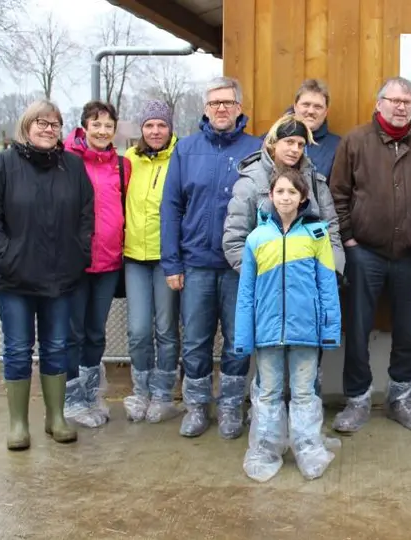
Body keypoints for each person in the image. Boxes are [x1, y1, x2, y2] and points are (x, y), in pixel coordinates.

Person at [0, 99, 91, 450]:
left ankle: (56, 417)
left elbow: (86, 215)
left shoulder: (72, 167)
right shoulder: (0, 166)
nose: (47, 128)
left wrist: (79, 253)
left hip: (60, 277)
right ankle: (18, 423)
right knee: (18, 348)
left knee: (57, 346)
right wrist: (8, 257)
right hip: (13, 279)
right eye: (40, 122)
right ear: (25, 126)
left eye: (54, 123)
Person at [329, 76, 411, 434]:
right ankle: (358, 399)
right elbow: (338, 193)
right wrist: (348, 240)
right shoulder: (355, 142)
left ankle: (400, 399)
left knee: (407, 330)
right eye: (394, 100)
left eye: (407, 101)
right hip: (365, 253)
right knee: (359, 330)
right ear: (379, 104)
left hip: (409, 255)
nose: (400, 106)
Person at [161, 76, 262, 439]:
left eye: (228, 103)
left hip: (240, 267)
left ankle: (232, 407)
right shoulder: (186, 150)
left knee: (238, 339)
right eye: (215, 103)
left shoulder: (257, 149)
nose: (221, 108)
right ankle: (197, 406)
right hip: (197, 264)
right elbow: (171, 207)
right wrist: (171, 263)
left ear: (239, 108)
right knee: (196, 340)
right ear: (205, 108)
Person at [223, 113, 344, 399]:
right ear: (273, 142)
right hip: (267, 295)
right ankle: (266, 429)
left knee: (306, 372)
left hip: (306, 293)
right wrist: (265, 275)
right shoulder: (251, 181)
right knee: (269, 373)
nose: (294, 149)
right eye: (289, 142)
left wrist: (331, 272)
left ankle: (306, 430)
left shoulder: (314, 181)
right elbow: (235, 239)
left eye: (301, 144)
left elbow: (332, 230)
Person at [235, 168, 341, 482]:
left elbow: (327, 288)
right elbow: (246, 292)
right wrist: (244, 334)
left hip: (305, 331)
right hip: (267, 331)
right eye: (279, 191)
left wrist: (329, 328)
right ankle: (266, 449)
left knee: (304, 392)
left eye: (292, 192)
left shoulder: (317, 235)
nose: (285, 198)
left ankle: (308, 448)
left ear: (303, 197)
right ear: (270, 196)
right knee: (268, 391)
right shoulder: (256, 238)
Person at [62, 100, 130, 428]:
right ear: (84, 126)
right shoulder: (66, 160)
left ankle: (91, 395)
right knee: (72, 332)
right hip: (75, 262)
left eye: (108, 125)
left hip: (108, 262)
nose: (102, 131)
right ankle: (72, 400)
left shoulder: (120, 165)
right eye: (96, 124)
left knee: (94, 332)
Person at [121, 100, 182, 424]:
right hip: (134, 256)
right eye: (149, 125)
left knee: (166, 328)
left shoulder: (179, 158)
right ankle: (140, 391)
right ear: (141, 129)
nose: (156, 131)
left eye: (161, 125)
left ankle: (163, 393)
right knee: (139, 329)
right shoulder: (129, 160)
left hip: (165, 258)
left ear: (170, 128)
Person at [290, 79, 341, 178]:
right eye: (306, 105)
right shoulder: (271, 140)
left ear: (326, 112)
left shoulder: (338, 147)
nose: (311, 111)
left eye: (317, 107)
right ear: (295, 107)